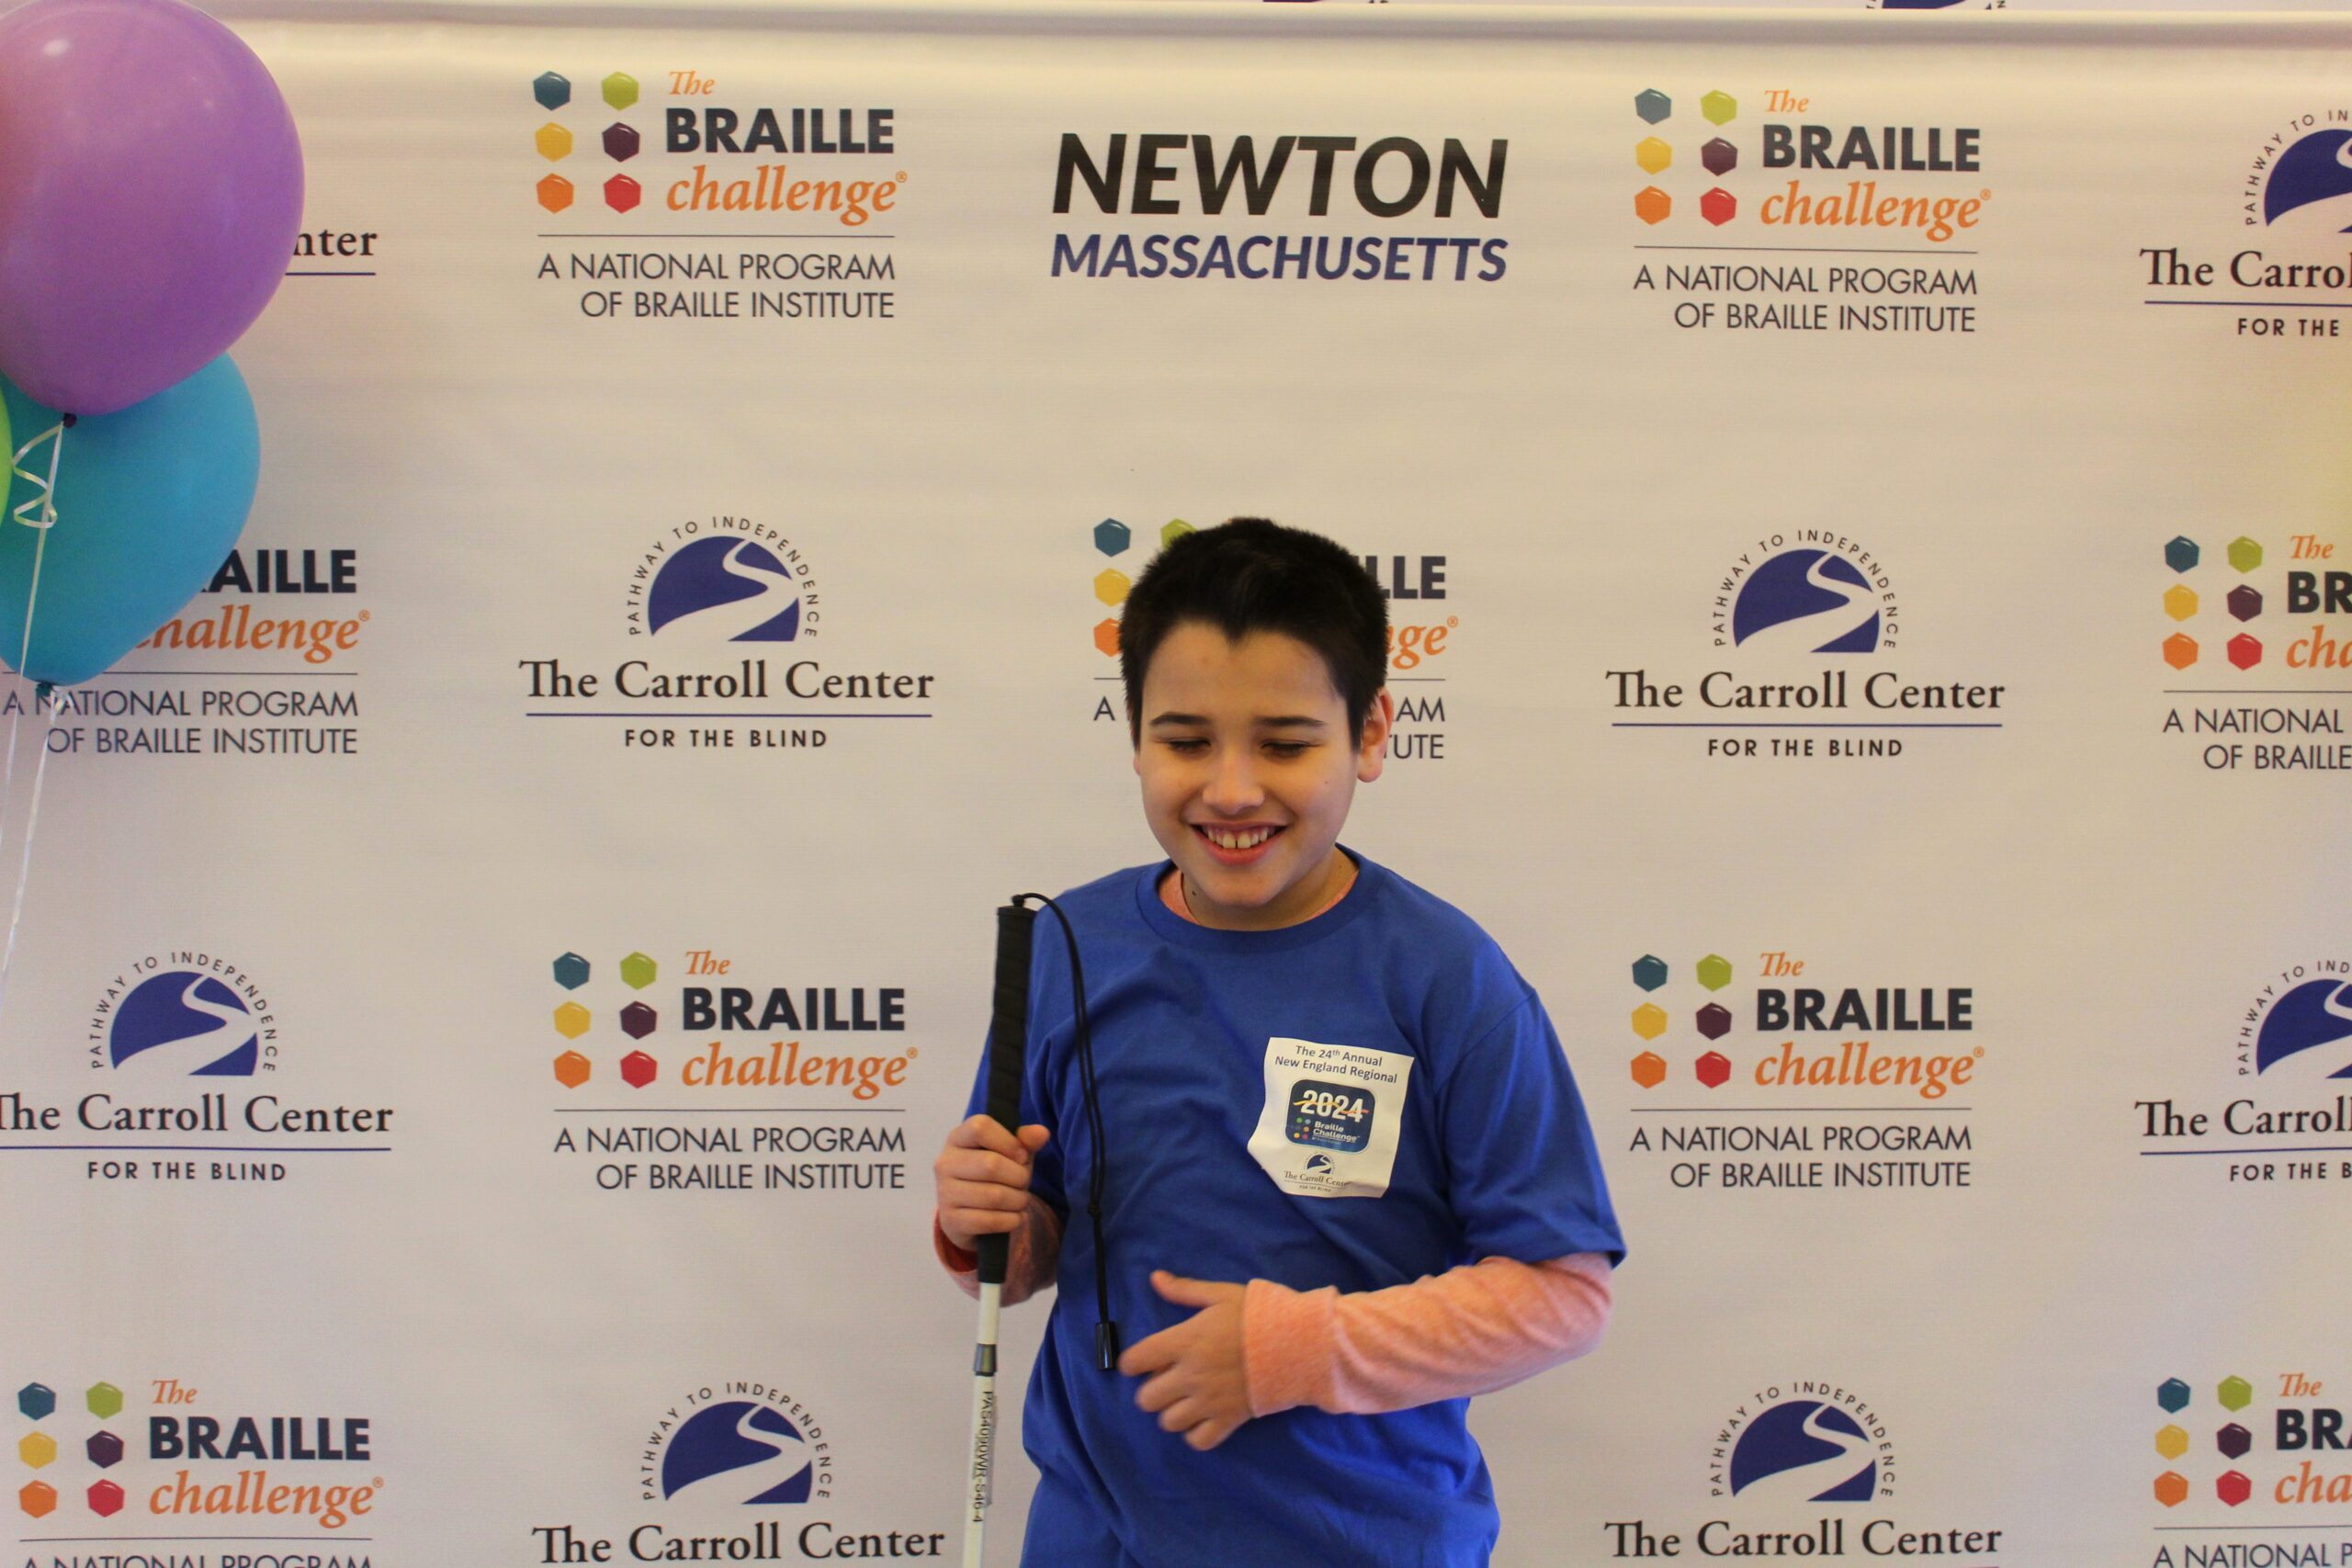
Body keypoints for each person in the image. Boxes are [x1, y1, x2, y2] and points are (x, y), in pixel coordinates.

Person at [932, 517, 1623, 1566]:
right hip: (1092, 1539)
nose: (1232, 789)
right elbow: (1027, 1252)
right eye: (1185, 739)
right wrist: (984, 1223)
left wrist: (1293, 1352)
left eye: (1286, 743)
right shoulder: (1067, 944)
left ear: (1373, 733)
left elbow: (1563, 1297)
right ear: (1133, 739)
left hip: (1362, 1541)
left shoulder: (1447, 977)